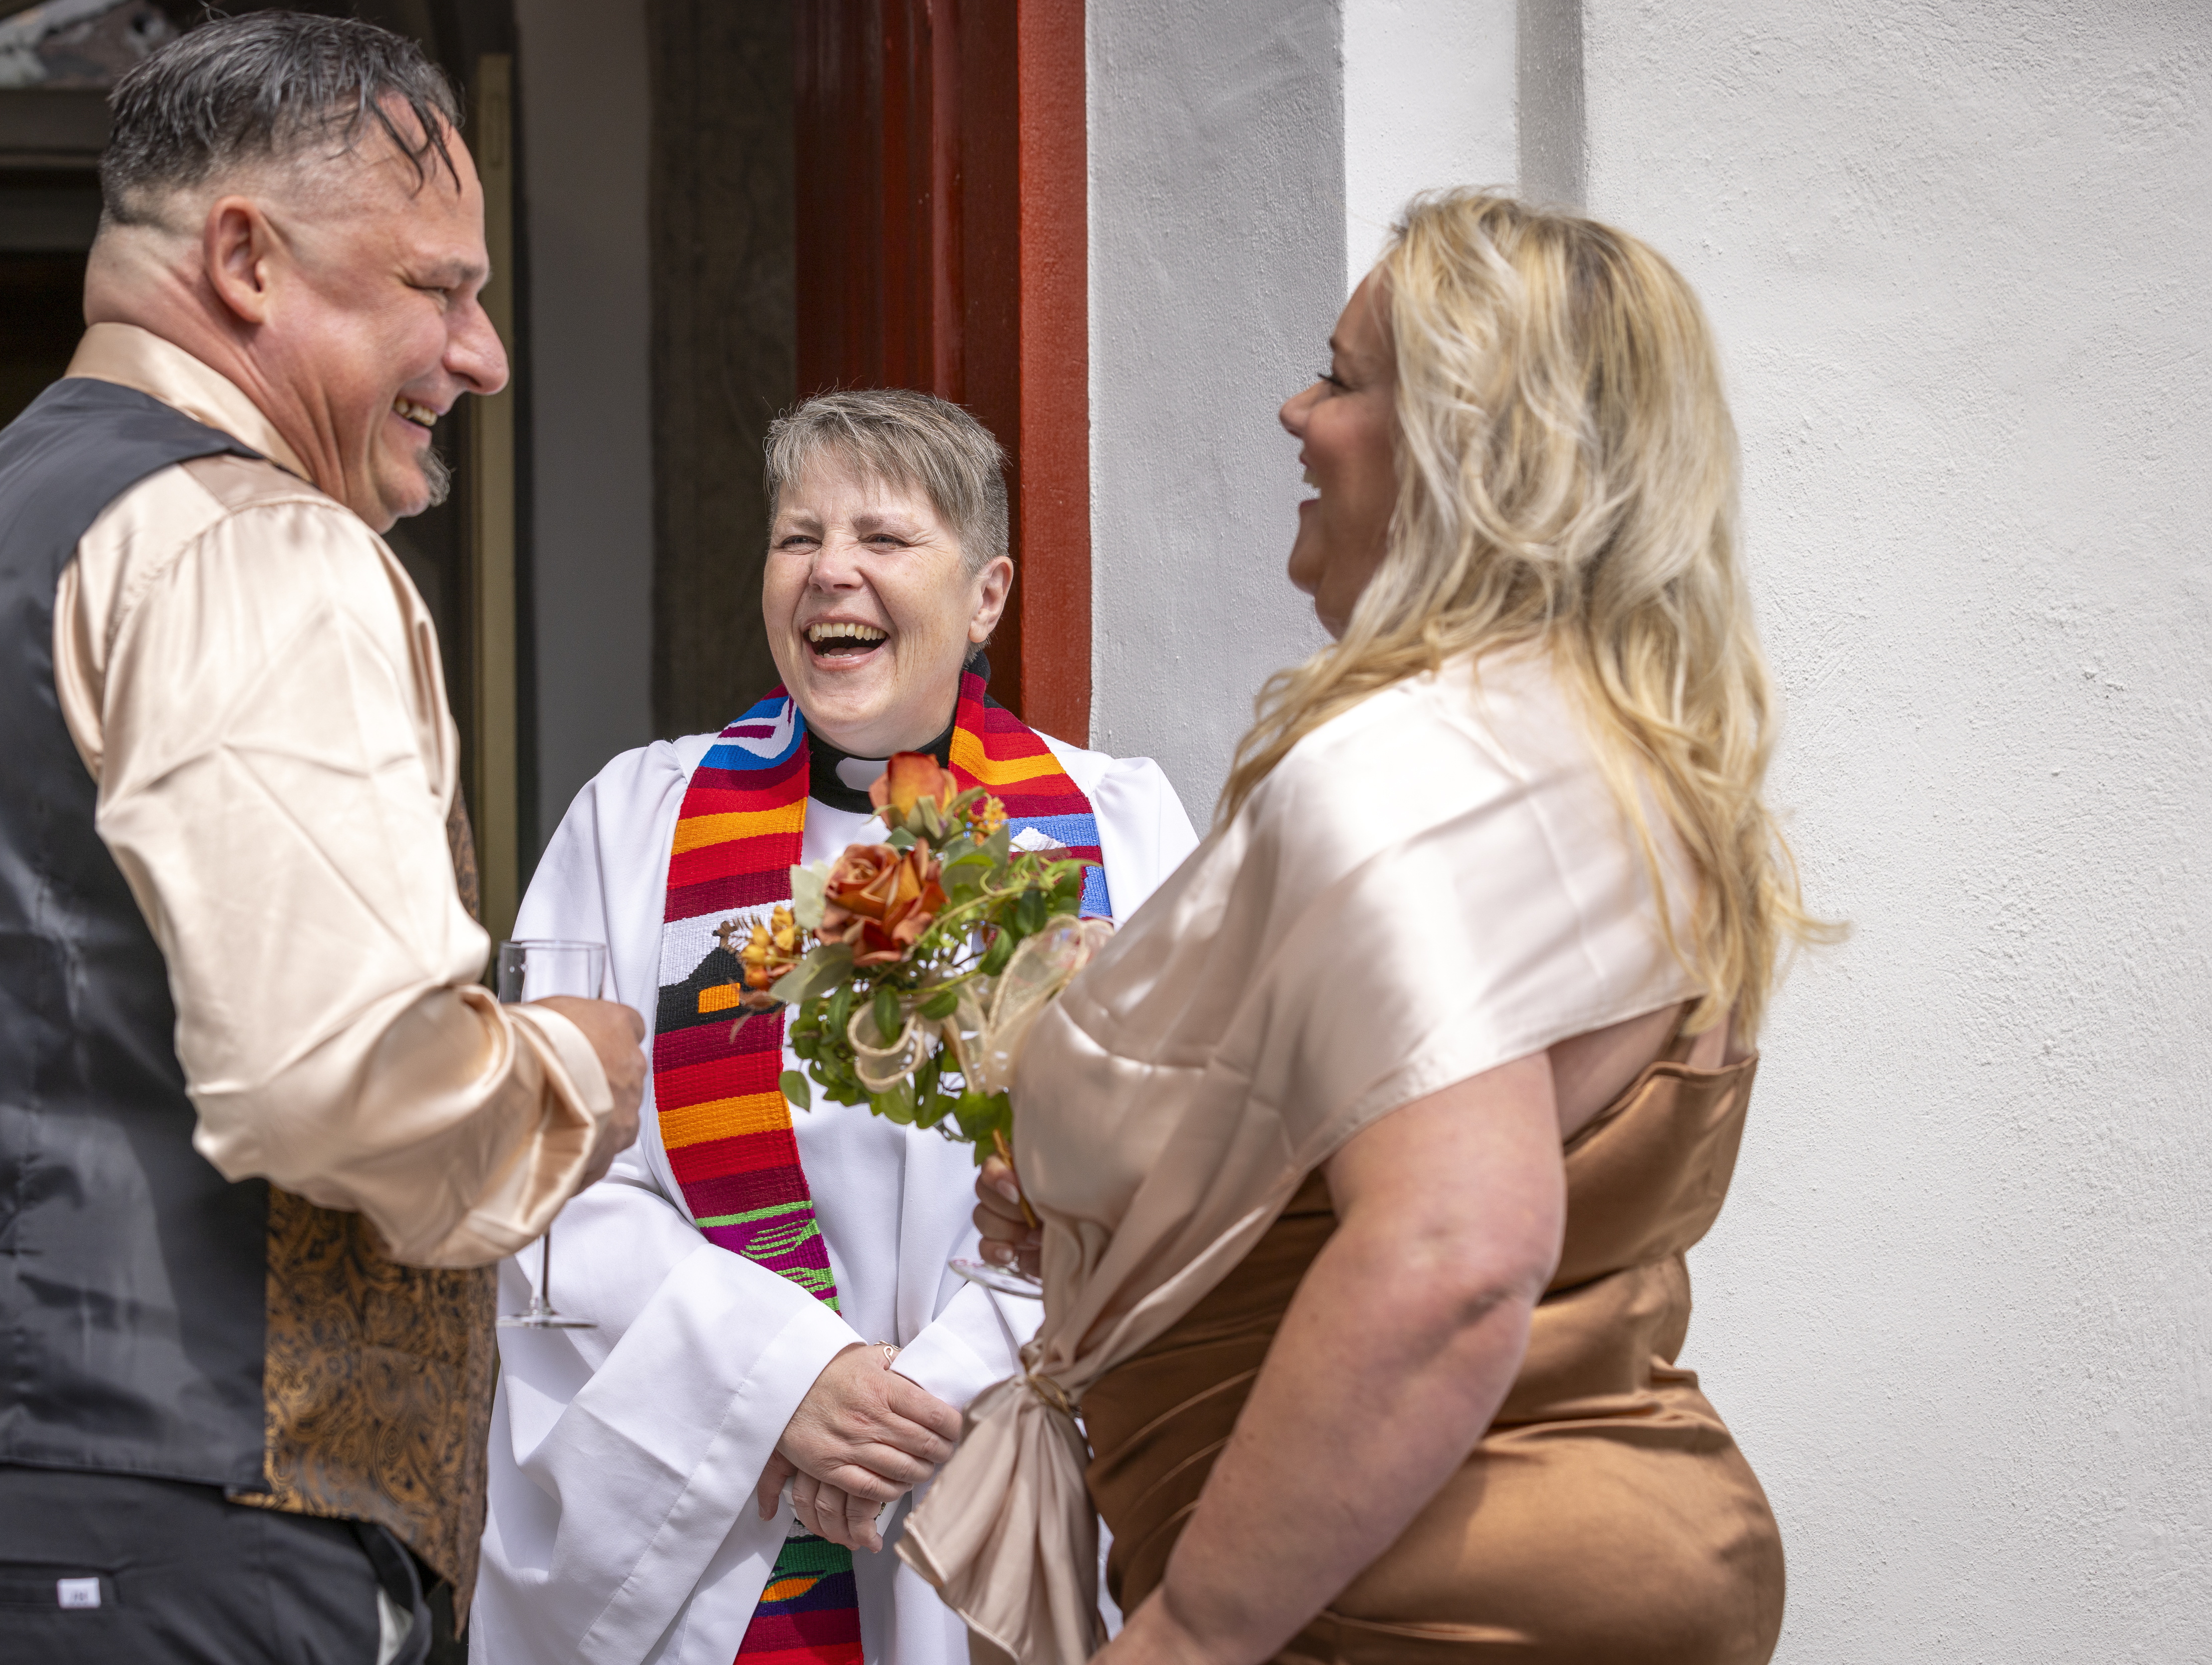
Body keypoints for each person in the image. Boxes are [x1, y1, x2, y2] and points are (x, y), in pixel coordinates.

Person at [0, 15, 646, 1664]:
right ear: (245, 258)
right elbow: (343, 1079)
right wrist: (570, 1073)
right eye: (438, 290)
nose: (484, 356)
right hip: (170, 1537)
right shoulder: (247, 541)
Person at [909, 191, 1836, 1665]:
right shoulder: (1633, 770)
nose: (1295, 411)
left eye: (1342, 379)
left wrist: (1198, 1634)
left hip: (1395, 1604)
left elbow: (1458, 1248)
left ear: (1473, 447)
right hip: (1604, 1558)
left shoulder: (1415, 772)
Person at [474, 389, 1198, 1665]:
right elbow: (544, 1162)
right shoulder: (632, 822)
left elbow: (1186, 1171)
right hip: (719, 1482)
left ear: (986, 596)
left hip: (992, 1471)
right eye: (797, 537)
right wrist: (783, 1379)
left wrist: (931, 1395)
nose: (830, 573)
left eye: (882, 537)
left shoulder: (1117, 830)